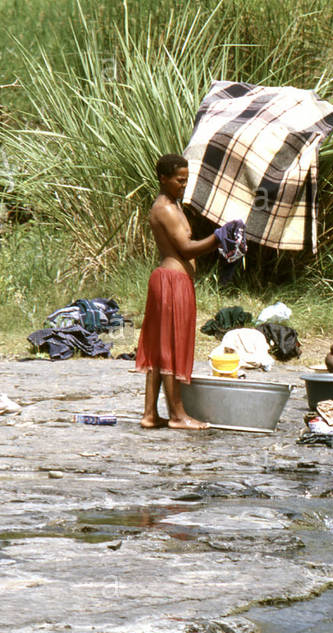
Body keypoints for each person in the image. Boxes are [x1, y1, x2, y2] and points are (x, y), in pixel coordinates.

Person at [135, 153, 220, 430]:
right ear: (163, 178)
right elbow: (185, 249)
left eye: (186, 180)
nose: (183, 185)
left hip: (170, 280)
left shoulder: (172, 205)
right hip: (172, 281)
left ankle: (150, 414)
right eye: (179, 180)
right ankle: (177, 415)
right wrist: (217, 239)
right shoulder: (166, 208)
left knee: (161, 349)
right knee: (172, 346)